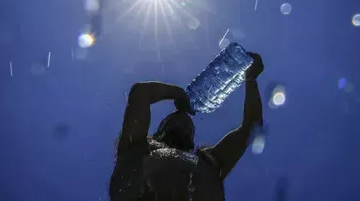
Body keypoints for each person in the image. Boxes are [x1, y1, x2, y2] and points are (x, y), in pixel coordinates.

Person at [109, 53, 264, 201]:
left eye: (188, 126)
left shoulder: (209, 160)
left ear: (192, 139)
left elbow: (251, 127)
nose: (183, 122)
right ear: (159, 131)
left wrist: (251, 79)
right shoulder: (137, 145)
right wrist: (178, 93)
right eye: (173, 120)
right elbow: (140, 94)